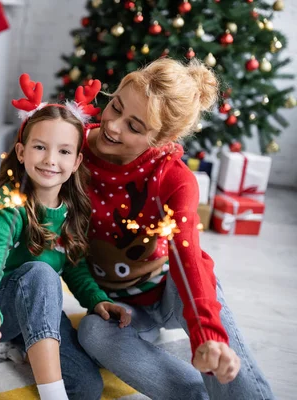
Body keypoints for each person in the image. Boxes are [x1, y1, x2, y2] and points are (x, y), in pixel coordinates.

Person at [77, 58, 275, 399]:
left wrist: (207, 336)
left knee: (215, 342)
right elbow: (39, 139)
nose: (113, 126)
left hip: (172, 288)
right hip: (121, 305)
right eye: (115, 107)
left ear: (162, 138)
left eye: (135, 127)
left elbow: (187, 255)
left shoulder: (174, 178)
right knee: (92, 333)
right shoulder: (74, 148)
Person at [0, 74, 131, 400]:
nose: (51, 159)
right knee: (40, 272)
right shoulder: (9, 205)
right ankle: (43, 384)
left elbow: (74, 266)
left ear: (77, 160)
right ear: (22, 152)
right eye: (40, 147)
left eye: (64, 151)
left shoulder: (74, 209)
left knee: (88, 386)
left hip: (38, 304)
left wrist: (97, 300)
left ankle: (23, 342)